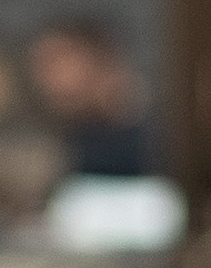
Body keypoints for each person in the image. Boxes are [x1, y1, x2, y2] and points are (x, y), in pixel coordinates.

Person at [20, 15, 156, 179]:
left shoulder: (162, 134)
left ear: (100, 56)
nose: (47, 78)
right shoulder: (55, 141)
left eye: (58, 60)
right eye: (40, 66)